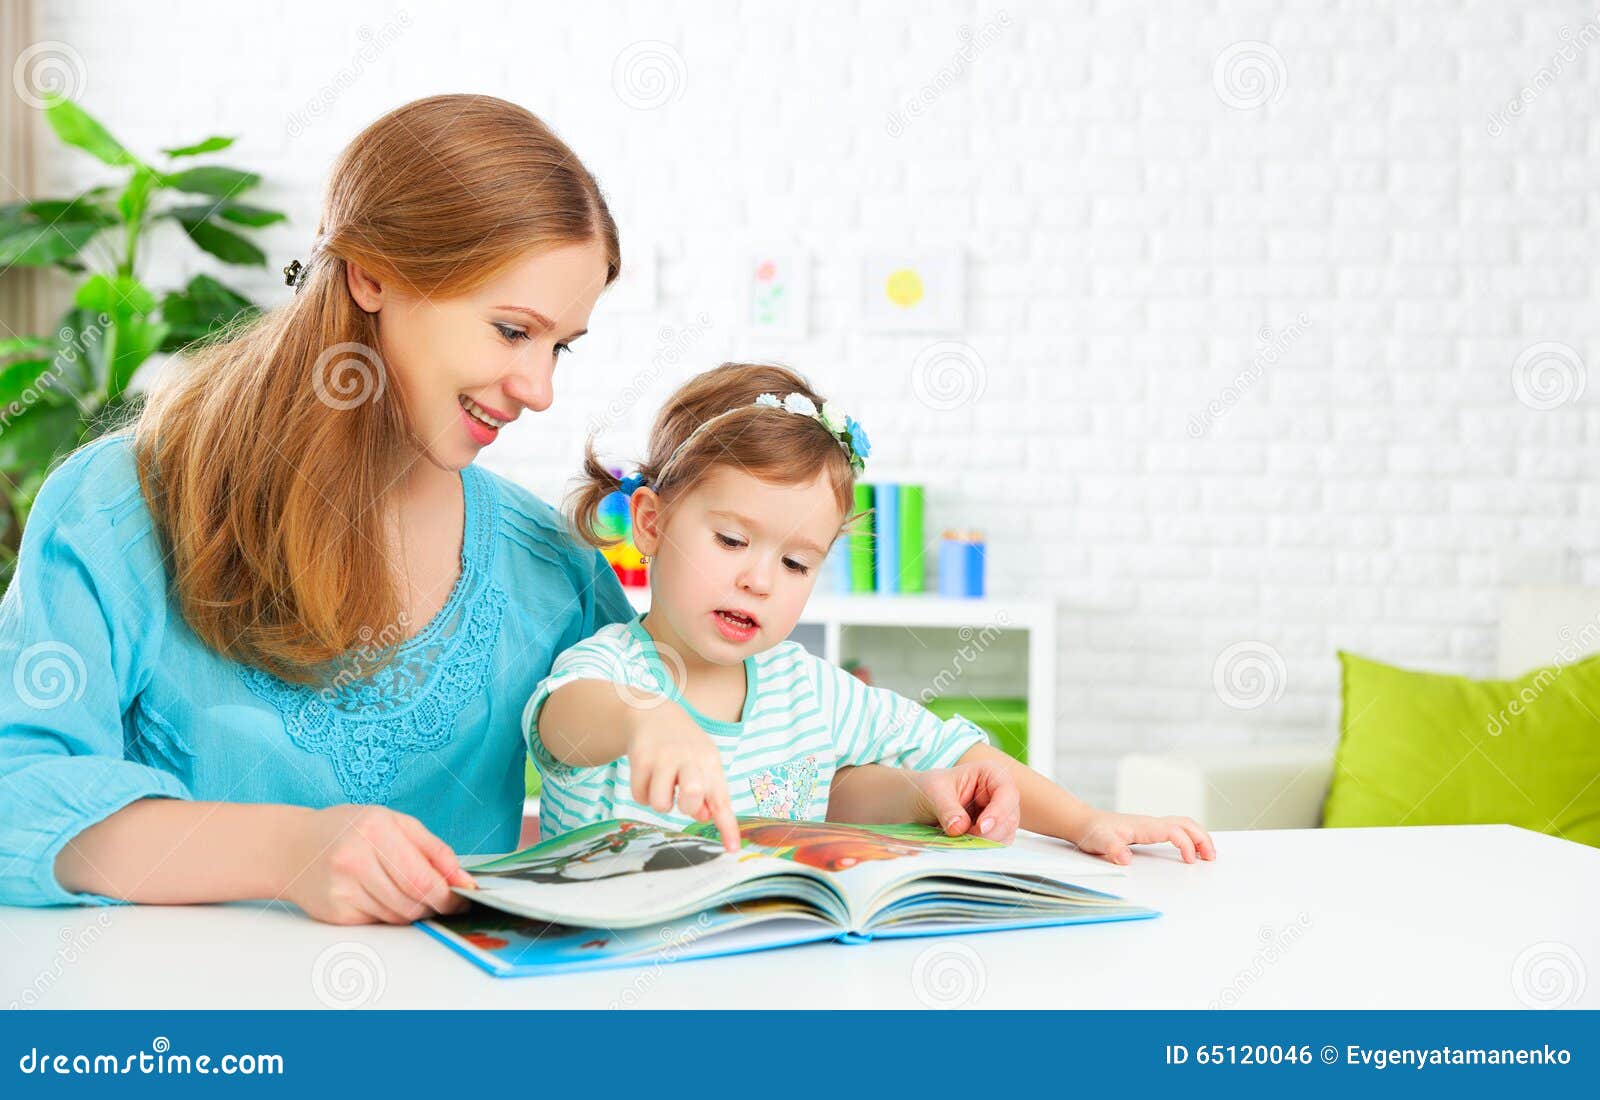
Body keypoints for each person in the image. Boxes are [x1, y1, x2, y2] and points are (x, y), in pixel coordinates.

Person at [526, 363, 1217, 866]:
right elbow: (566, 723)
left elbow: (956, 752)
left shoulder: (807, 690)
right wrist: (647, 718)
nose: (759, 579)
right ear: (650, 523)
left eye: (797, 562)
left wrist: (1086, 820)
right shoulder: (610, 671)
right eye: (732, 540)